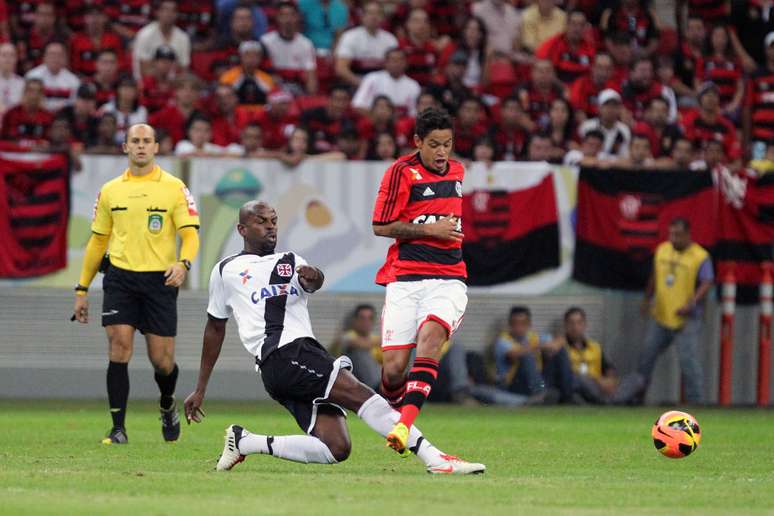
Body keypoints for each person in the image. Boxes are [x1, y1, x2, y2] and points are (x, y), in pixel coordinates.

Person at [183, 200, 484, 475]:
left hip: (291, 361)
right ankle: (436, 460)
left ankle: (245, 442)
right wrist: (200, 388)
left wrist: (313, 276)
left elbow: (313, 281)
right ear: (242, 229)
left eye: (274, 220)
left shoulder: (289, 259)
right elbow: (215, 327)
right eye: (261, 221)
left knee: (336, 447)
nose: (271, 225)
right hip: (284, 355)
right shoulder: (225, 271)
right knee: (364, 397)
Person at [72, 123, 201, 445]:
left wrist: (183, 263)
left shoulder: (174, 187)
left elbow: (190, 234)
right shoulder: (110, 190)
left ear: (156, 147)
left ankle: (166, 404)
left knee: (162, 360)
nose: (141, 146)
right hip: (120, 278)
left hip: (160, 280)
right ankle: (118, 428)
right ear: (125, 147)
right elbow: (97, 242)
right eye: (135, 141)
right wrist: (81, 289)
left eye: (146, 141)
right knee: (119, 347)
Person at [371, 107, 467, 455]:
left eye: (448, 144)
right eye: (434, 145)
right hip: (405, 279)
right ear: (417, 143)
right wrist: (431, 229)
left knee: (430, 340)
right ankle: (393, 411)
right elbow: (380, 226)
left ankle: (403, 425)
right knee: (394, 371)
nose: (442, 153)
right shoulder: (400, 172)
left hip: (448, 279)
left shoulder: (458, 170)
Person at [636, 217, 713, 404]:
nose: (674, 238)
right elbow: (654, 276)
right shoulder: (662, 250)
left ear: (688, 234)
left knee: (688, 361)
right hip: (662, 315)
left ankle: (697, 403)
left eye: (678, 235)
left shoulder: (699, 256)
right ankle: (636, 398)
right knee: (646, 356)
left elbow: (707, 281)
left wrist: (692, 303)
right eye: (671, 234)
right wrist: (647, 299)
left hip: (686, 318)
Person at [493, 306, 572, 403]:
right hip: (513, 385)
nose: (519, 327)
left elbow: (560, 341)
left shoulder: (533, 337)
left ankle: (567, 394)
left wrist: (552, 346)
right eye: (515, 324)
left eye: (523, 323)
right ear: (510, 324)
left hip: (537, 380)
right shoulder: (502, 341)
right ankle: (540, 395)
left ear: (529, 324)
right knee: (526, 355)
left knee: (561, 351)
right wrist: (539, 346)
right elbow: (513, 354)